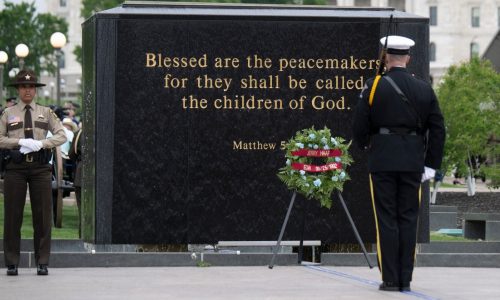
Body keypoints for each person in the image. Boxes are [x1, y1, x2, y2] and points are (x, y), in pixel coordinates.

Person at [352, 36, 445, 292]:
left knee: (386, 219)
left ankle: (390, 279)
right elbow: (438, 129)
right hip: (413, 162)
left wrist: (367, 146)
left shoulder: (372, 86)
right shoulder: (424, 89)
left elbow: (359, 127)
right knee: (408, 218)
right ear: (408, 58)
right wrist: (431, 165)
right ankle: (405, 278)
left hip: (382, 160)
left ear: (385, 58)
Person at [0, 69, 67, 276]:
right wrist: (19, 141)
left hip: (39, 168)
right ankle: (11, 262)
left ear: (35, 90)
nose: (27, 90)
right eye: (23, 86)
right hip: (16, 168)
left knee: (43, 215)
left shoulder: (45, 112)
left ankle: (42, 261)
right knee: (12, 216)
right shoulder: (7, 113)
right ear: (18, 89)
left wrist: (41, 143)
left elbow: (62, 135)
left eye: (30, 87)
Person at [69, 128, 82, 238]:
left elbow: (72, 154)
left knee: (83, 212)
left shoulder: (80, 132)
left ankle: (82, 239)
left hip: (81, 175)